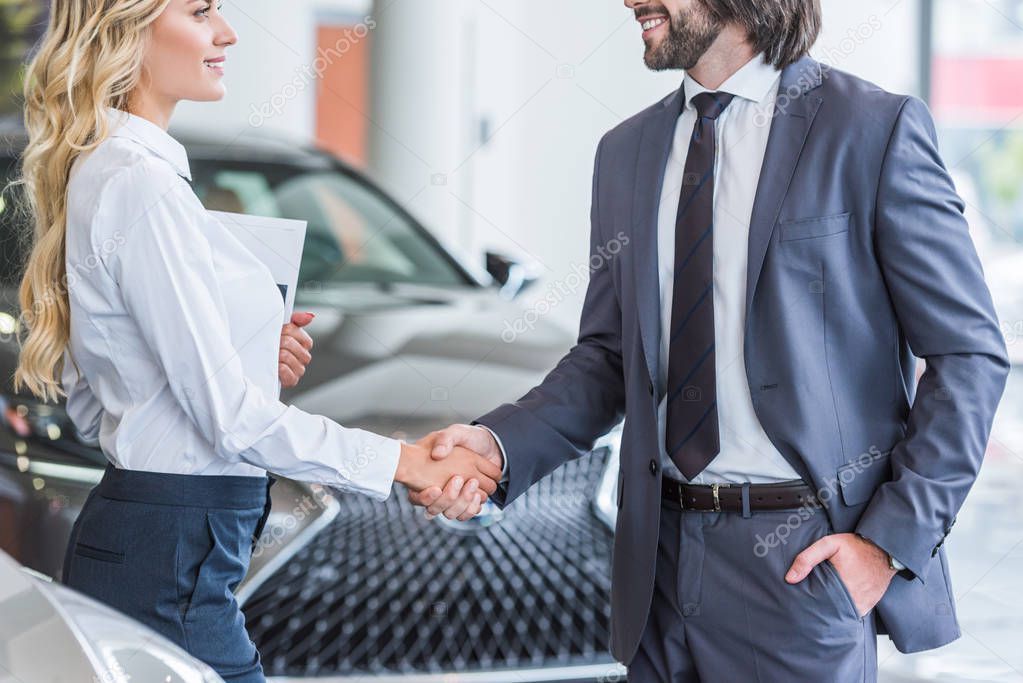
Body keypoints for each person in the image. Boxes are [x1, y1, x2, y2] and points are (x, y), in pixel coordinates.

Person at [411, 0, 1010, 681]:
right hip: (656, 566)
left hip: (799, 570)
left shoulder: (871, 129)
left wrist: (885, 545)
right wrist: (499, 443)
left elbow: (968, 354)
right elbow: (609, 360)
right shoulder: (624, 153)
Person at [10, 2, 499, 681]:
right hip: (170, 562)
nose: (227, 32)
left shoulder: (114, 172)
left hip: (156, 548)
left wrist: (234, 357)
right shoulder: (141, 186)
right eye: (200, 11)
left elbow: (98, 402)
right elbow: (228, 418)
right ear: (127, 28)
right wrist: (402, 461)